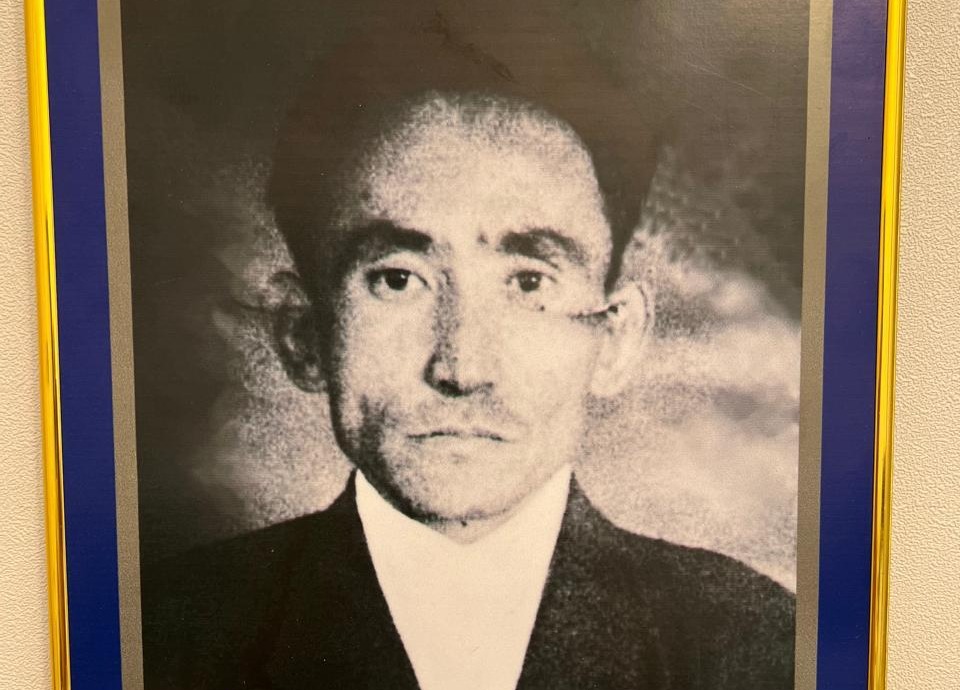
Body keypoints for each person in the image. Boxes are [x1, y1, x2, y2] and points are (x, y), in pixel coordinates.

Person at [141, 6, 795, 689]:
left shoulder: (757, 644)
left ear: (613, 337)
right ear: (303, 333)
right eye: (398, 279)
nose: (461, 367)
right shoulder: (162, 635)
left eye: (528, 283)